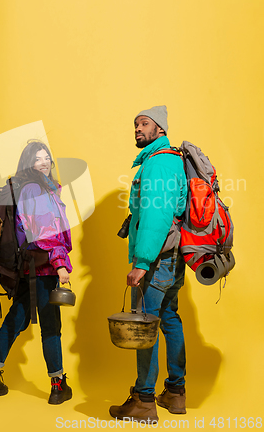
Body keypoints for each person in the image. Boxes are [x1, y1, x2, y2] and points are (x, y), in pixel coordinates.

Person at [0, 141, 73, 405]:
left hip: (28, 268)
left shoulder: (34, 187)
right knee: (51, 327)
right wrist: (60, 262)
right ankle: (57, 385)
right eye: (37, 158)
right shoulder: (34, 188)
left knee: (14, 321)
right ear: (28, 163)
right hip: (42, 268)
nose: (44, 162)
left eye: (47, 158)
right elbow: (44, 231)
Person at [109, 105, 188, 423]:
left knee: (145, 325)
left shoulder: (157, 164)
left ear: (161, 129)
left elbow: (156, 216)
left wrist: (141, 262)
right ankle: (175, 393)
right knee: (169, 318)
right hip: (173, 256)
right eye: (135, 125)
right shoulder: (171, 161)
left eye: (144, 124)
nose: (138, 129)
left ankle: (143, 400)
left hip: (157, 261)